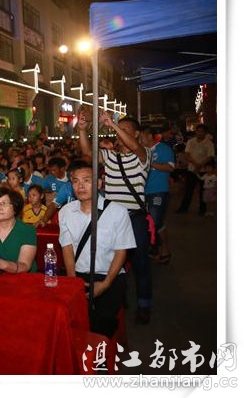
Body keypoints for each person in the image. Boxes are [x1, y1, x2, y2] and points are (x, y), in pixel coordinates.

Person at [78, 110, 153, 325]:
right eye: (119, 130)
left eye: (125, 130)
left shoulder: (144, 155)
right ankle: (119, 297)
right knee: (111, 262)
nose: (120, 133)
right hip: (111, 219)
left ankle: (144, 304)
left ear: (136, 134)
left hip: (135, 218)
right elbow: (87, 153)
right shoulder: (110, 156)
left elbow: (136, 147)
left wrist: (113, 125)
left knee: (140, 263)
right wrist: (82, 130)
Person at [58, 161, 136, 338]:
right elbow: (67, 248)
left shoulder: (118, 211)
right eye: (75, 181)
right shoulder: (66, 212)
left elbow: (121, 251)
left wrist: (106, 284)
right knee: (73, 324)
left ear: (99, 183)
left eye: (87, 180)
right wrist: (73, 280)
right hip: (78, 275)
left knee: (102, 325)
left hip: (110, 276)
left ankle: (102, 352)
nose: (80, 186)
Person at [140, 126, 175, 265]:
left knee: (156, 221)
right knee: (149, 222)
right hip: (142, 192)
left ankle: (163, 249)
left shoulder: (163, 149)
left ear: (150, 136)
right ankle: (155, 248)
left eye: (142, 136)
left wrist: (151, 162)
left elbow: (170, 167)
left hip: (158, 190)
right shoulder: (142, 150)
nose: (140, 139)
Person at [176, 124, 215, 216]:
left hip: (204, 171)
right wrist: (196, 164)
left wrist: (200, 165)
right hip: (191, 170)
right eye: (198, 131)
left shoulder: (209, 143)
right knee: (188, 190)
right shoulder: (191, 141)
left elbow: (210, 156)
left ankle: (202, 210)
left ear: (205, 133)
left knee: (203, 191)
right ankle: (183, 208)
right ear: (196, 132)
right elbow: (187, 154)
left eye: (202, 131)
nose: (200, 133)